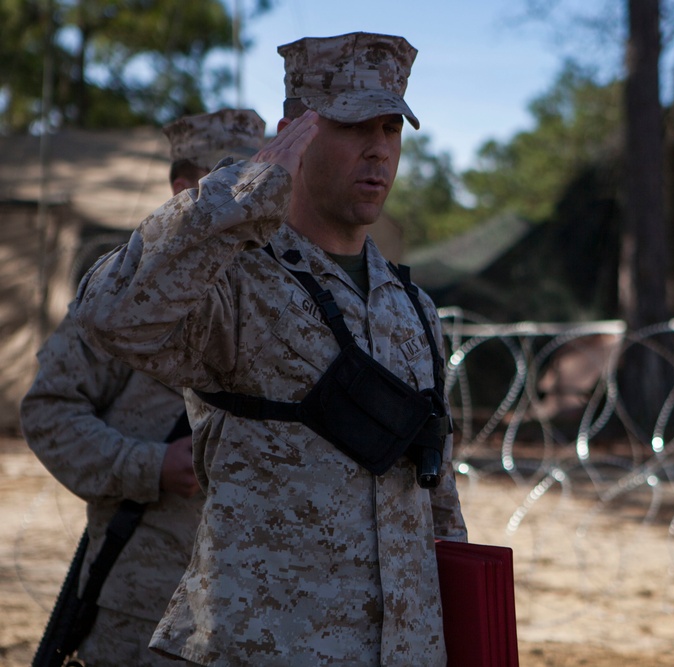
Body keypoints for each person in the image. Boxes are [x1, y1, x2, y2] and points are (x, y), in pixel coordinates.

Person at [73, 32, 468, 665]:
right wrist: (242, 193)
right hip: (262, 644)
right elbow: (108, 316)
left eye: (391, 127)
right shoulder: (234, 283)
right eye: (352, 125)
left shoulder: (411, 305)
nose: (377, 149)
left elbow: (437, 495)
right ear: (295, 136)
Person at [20, 108, 267, 667]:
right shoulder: (127, 301)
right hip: (145, 610)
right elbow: (48, 414)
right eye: (229, 178)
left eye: (257, 178)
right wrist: (151, 466)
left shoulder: (287, 295)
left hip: (258, 612)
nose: (249, 196)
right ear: (185, 187)